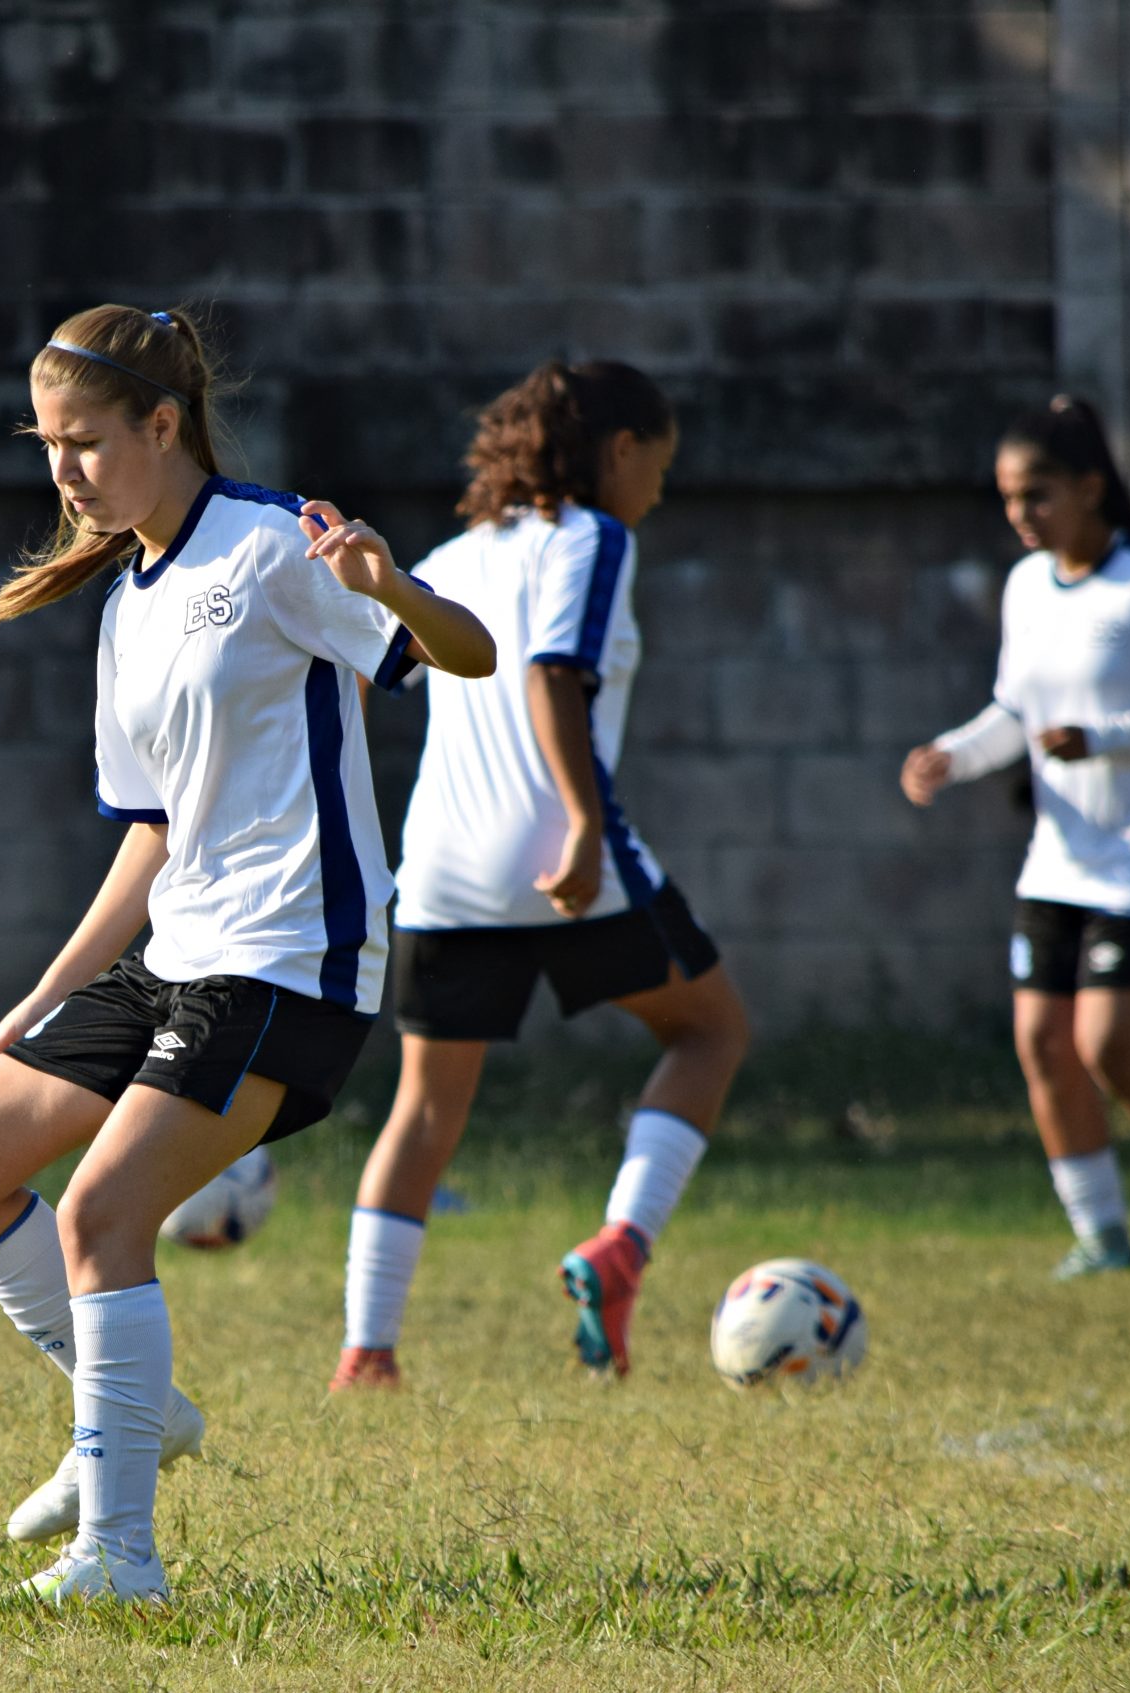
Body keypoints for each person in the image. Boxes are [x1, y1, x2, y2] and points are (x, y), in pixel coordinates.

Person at [0, 304, 496, 1603]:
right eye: (46, 445)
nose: (64, 472)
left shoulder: (278, 546)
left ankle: (119, 1555)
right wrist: (48, 991)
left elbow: (471, 655)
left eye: (84, 441)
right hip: (176, 956)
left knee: (102, 1213)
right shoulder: (127, 604)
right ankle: (138, 1412)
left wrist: (392, 586)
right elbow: (153, 833)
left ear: (163, 424)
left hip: (290, 959)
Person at [331, 360, 751, 1392]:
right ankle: (621, 1245)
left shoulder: (448, 556)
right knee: (710, 1031)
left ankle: (366, 1353)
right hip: (566, 858)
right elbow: (553, 669)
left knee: (424, 1110)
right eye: (658, 468)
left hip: (443, 870)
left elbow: (362, 673)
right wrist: (584, 825)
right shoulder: (594, 537)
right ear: (620, 451)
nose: (655, 491)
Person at [902, 396, 1130, 1279]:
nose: (1021, 513)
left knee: (1108, 1047)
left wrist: (1107, 738)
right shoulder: (1028, 586)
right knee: (1041, 1045)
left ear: (1091, 487)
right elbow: (1015, 712)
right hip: (1058, 859)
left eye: (1038, 494)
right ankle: (1102, 1236)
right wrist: (952, 755)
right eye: (1008, 497)